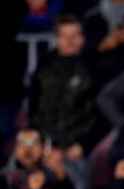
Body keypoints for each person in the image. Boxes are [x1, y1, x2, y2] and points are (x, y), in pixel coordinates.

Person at [29, 15, 98, 157]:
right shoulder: (44, 65)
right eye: (64, 36)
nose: (69, 41)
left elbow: (99, 114)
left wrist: (84, 144)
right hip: (46, 145)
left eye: (74, 35)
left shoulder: (95, 67)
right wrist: (40, 141)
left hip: (79, 147)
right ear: (57, 38)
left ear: (82, 38)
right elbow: (33, 106)